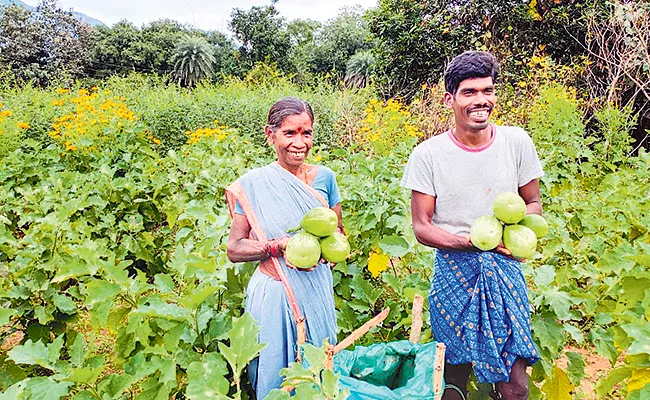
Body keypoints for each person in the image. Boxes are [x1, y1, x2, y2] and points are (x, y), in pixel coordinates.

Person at [401, 51, 544, 400]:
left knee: (515, 385)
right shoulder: (428, 155)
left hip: (505, 268)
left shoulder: (516, 142)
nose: (481, 100)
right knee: (453, 379)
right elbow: (422, 226)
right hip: (454, 272)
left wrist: (515, 234)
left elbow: (533, 204)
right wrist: (472, 243)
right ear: (450, 99)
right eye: (469, 92)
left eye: (487, 90)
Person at [225, 97, 343, 399]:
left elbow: (337, 234)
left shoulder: (326, 179)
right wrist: (276, 246)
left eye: (306, 133)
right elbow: (235, 248)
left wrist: (327, 253)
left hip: (315, 288)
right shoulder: (253, 184)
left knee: (318, 370)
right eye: (289, 133)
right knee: (275, 377)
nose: (299, 142)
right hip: (275, 291)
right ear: (270, 134)